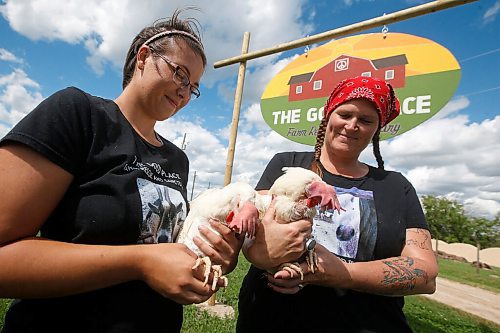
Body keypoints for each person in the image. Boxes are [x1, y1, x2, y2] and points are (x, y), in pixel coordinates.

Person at [0, 9, 243, 333]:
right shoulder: (79, 114)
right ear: (143, 57)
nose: (185, 92)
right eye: (180, 74)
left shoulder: (176, 160)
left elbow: (171, 245)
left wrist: (210, 254)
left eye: (194, 86)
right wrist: (141, 263)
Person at [237, 76, 439, 332]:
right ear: (328, 115)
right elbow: (257, 236)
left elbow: (426, 274)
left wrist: (343, 274)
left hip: (368, 323)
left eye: (366, 120)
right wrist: (269, 259)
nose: (352, 125)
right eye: (344, 114)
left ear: (377, 128)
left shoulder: (396, 186)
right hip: (272, 319)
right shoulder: (287, 164)